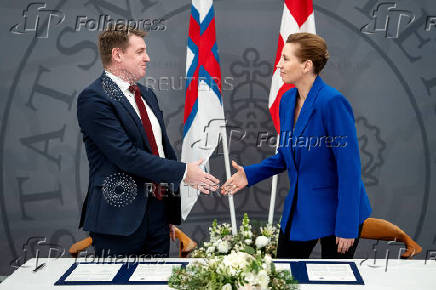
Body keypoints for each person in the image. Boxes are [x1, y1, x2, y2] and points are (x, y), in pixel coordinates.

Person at [222, 32, 372, 259]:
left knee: (333, 281)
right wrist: (249, 175)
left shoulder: (332, 102)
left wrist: (347, 225)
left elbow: (349, 169)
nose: (279, 65)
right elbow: (285, 156)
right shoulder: (287, 100)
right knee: (285, 274)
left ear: (306, 65)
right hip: (301, 208)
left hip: (338, 212)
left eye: (285, 59)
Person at [77, 24, 219, 258]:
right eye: (140, 51)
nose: (147, 58)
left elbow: (160, 150)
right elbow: (127, 156)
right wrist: (184, 172)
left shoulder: (146, 94)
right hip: (119, 220)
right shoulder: (94, 98)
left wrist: (167, 212)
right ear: (118, 55)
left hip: (158, 216)